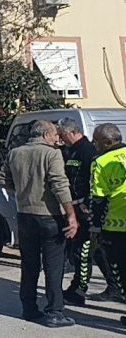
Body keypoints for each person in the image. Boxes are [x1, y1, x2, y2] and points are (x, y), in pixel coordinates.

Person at [4, 119, 78, 327]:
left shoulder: (15, 153)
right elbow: (59, 185)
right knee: (53, 267)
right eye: (55, 134)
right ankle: (55, 311)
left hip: (25, 214)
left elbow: (4, 179)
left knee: (29, 265)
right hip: (49, 215)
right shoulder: (51, 153)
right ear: (45, 134)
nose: (57, 138)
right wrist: (71, 215)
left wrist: (23, 191)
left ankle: (28, 308)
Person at [59, 119, 121, 305]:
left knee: (83, 251)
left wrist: (89, 208)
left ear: (70, 132)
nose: (61, 140)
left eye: (62, 135)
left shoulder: (88, 151)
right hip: (80, 208)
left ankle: (78, 289)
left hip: (88, 209)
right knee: (95, 252)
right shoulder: (72, 150)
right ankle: (114, 286)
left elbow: (95, 184)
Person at [89, 124, 126, 324]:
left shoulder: (101, 162)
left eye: (96, 141)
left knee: (121, 273)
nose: (94, 144)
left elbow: (98, 199)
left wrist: (95, 229)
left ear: (107, 142)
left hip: (116, 228)